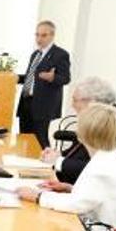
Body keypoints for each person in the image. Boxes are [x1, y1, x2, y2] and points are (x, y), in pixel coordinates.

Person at [17, 103, 116, 227]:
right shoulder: (115, 157)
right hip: (103, 224)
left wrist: (38, 196)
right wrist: (69, 188)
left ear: (82, 133)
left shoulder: (102, 166)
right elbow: (96, 196)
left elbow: (76, 204)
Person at [41, 77, 116, 188]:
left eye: (75, 100)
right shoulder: (102, 117)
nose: (72, 105)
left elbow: (100, 169)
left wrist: (59, 162)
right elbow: (82, 150)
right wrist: (59, 155)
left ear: (92, 102)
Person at [17, 20, 71, 148]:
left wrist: (52, 78)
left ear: (52, 35)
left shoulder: (60, 54)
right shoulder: (35, 54)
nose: (39, 38)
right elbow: (31, 78)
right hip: (26, 104)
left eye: (43, 35)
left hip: (43, 107)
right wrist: (16, 78)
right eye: (37, 35)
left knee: (40, 142)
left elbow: (65, 78)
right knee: (25, 141)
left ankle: (43, 167)